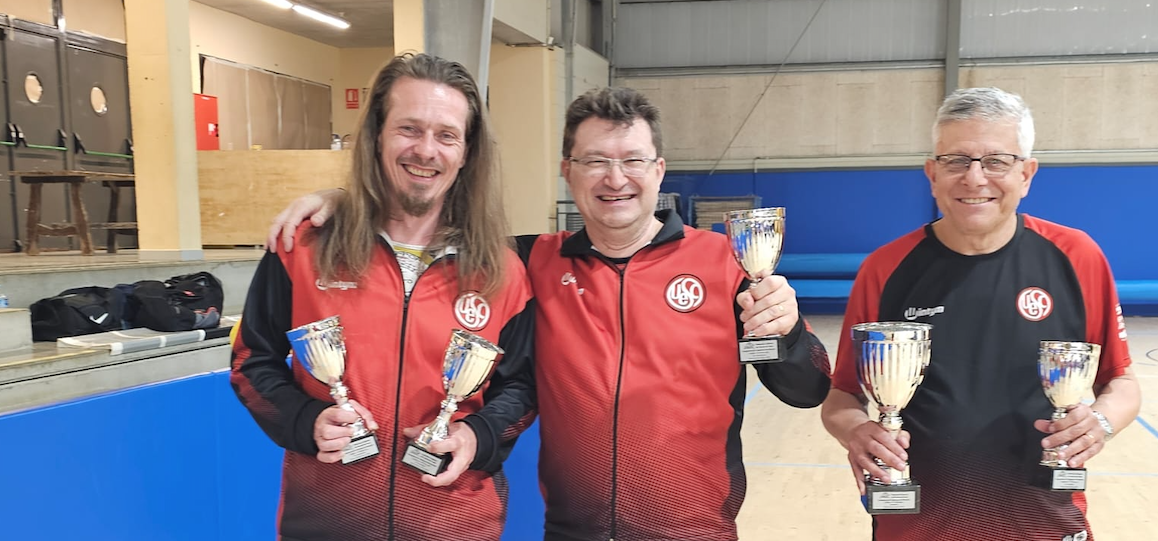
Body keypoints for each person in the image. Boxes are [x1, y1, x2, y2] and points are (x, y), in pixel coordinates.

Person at [268, 87, 832, 541]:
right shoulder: (530, 259)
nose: (615, 179)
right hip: (571, 531)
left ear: (658, 170)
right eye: (595, 161)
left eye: (632, 160)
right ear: (568, 170)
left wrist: (783, 334)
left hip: (695, 531)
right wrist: (342, 201)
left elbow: (806, 389)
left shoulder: (724, 262)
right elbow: (422, 218)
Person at [230, 53, 535, 541]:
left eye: (446, 135)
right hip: (327, 523)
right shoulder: (303, 248)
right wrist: (306, 420)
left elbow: (520, 388)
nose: (426, 150)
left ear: (467, 152)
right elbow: (251, 360)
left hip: (456, 525)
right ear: (376, 134)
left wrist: (474, 436)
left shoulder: (503, 271)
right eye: (409, 129)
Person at [821, 87, 1142, 541]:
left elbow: (1122, 382)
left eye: (996, 161)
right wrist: (857, 430)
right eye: (956, 160)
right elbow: (841, 398)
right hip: (916, 527)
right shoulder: (886, 268)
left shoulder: (1077, 256)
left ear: (1027, 174)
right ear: (932, 174)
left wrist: (1101, 422)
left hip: (1047, 524)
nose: (975, 179)